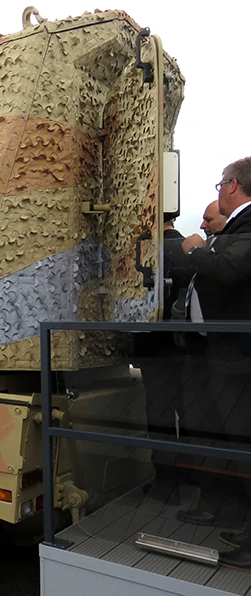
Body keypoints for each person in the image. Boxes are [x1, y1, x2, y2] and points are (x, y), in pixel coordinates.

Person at [177, 156, 251, 569]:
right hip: (224, 355)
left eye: (220, 184)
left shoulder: (246, 227)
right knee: (233, 442)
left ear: (233, 185)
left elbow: (227, 270)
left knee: (243, 443)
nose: (218, 191)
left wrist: (197, 249)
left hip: (237, 358)